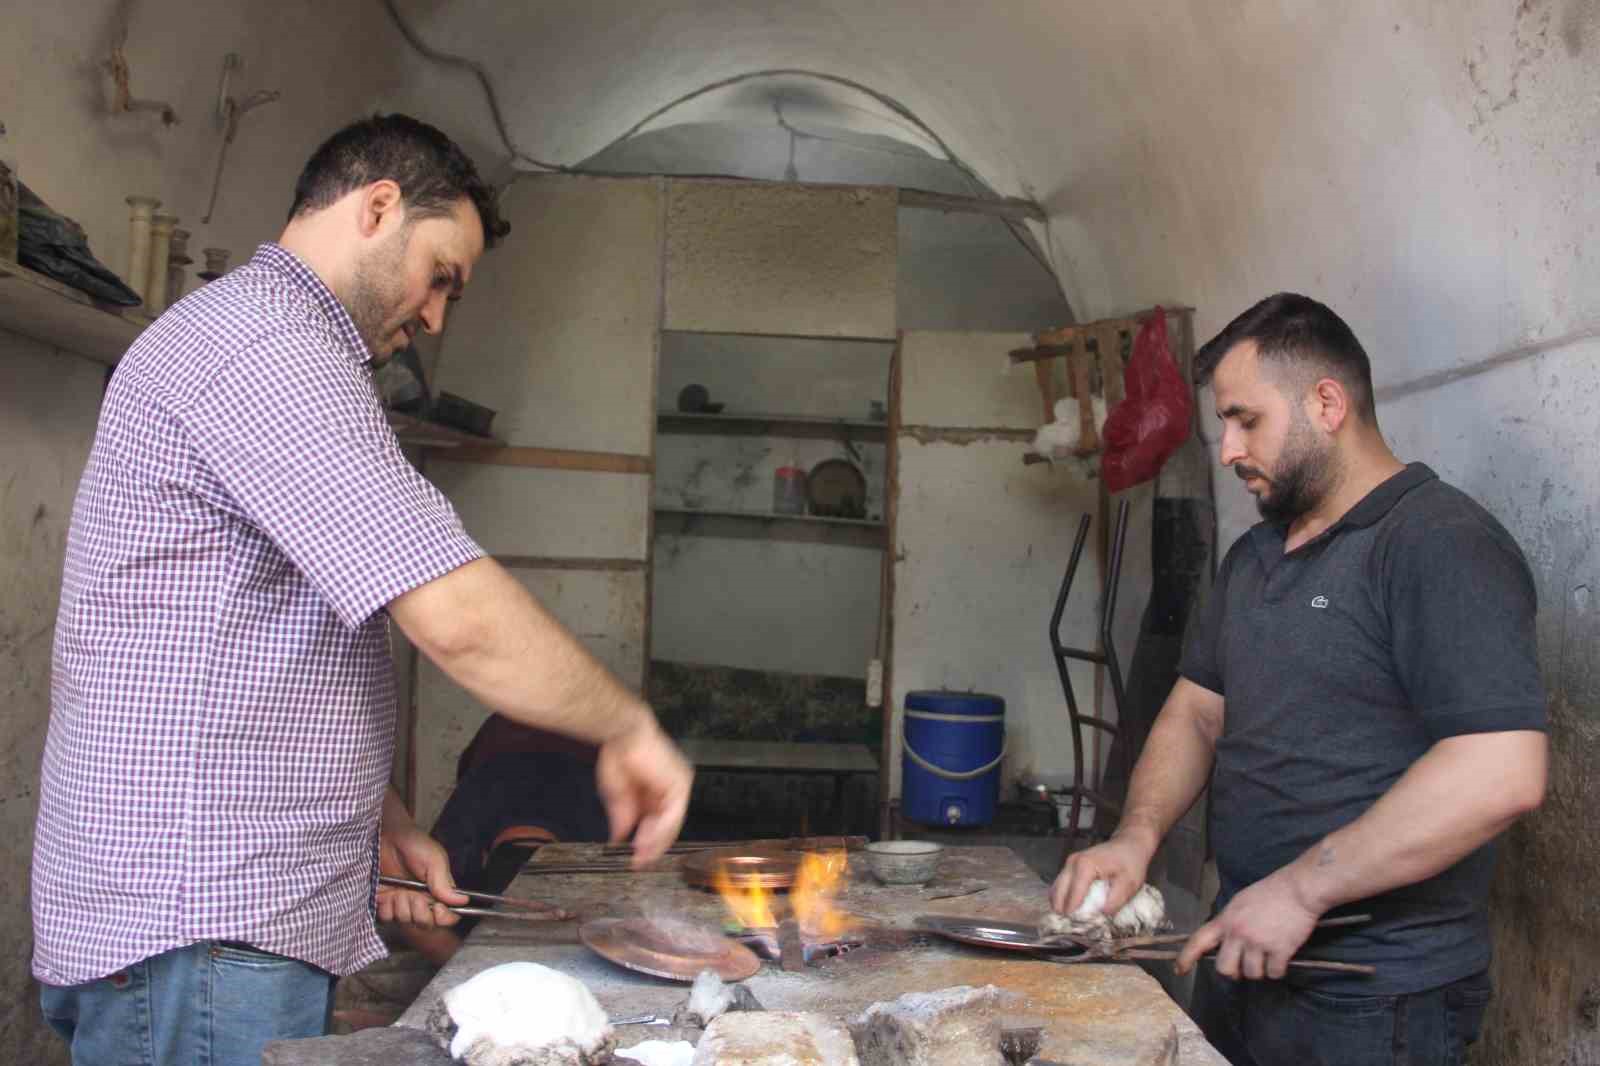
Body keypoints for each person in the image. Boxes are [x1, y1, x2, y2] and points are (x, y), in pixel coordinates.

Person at [32, 113, 693, 1066]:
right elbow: (455, 617)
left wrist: (380, 826)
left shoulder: (273, 347)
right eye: (442, 277)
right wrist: (627, 728)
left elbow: (249, 643)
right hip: (199, 920)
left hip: (209, 915)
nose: (434, 317)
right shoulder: (264, 347)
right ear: (378, 207)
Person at [1051, 294, 1547, 1066]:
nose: (1226, 449)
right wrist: (1135, 838)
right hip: (1242, 960)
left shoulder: (1438, 545)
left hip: (1377, 998)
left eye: (1245, 419)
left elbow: (1502, 771)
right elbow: (1195, 715)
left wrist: (1301, 891)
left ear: (1327, 402)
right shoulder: (1254, 560)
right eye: (1223, 423)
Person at [394, 713, 611, 967]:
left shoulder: (602, 822)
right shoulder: (462, 832)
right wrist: (474, 973)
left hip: (581, 751)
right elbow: (411, 910)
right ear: (484, 858)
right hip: (503, 746)